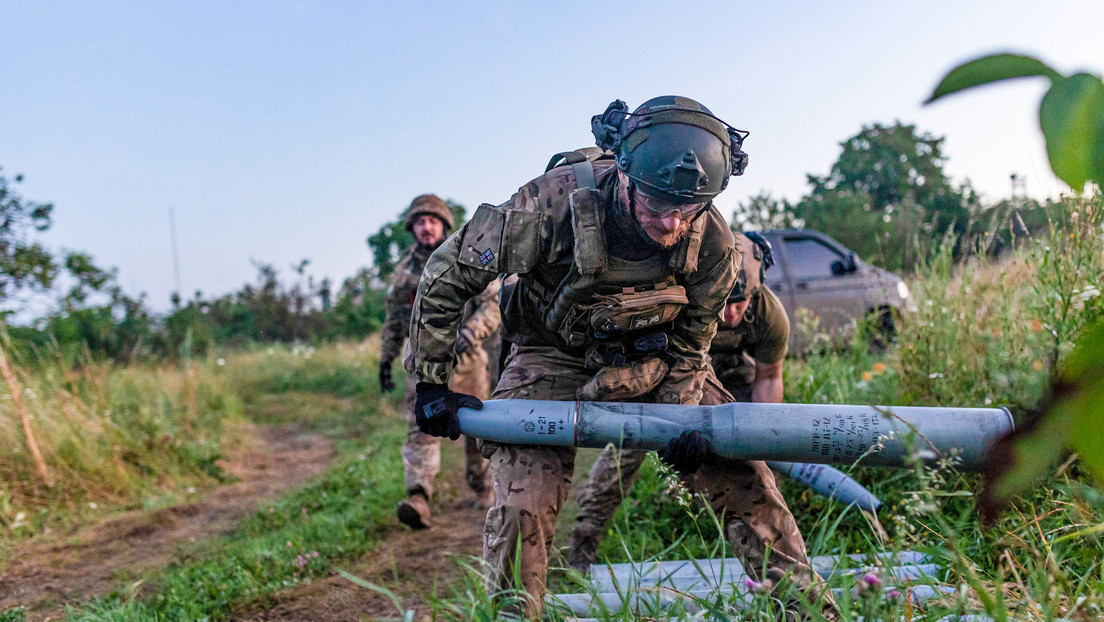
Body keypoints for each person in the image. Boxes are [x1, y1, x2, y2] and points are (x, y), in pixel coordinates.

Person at [405, 96, 824, 617]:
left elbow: (693, 344)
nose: (671, 224)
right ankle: (515, 612)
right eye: (655, 205)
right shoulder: (551, 204)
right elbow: (448, 274)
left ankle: (807, 608)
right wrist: (431, 381)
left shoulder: (714, 243)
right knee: (521, 505)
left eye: (686, 209)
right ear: (624, 174)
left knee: (748, 482)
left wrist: (678, 416)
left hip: (655, 358)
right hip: (549, 355)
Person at [569, 231, 800, 577]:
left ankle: (766, 554)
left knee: (755, 469)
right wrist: (678, 419)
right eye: (726, 301)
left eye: (742, 302)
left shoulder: (769, 314)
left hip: (733, 378)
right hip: (673, 378)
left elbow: (769, 377)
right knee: (620, 460)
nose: (732, 312)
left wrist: (759, 436)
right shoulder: (678, 299)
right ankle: (580, 553)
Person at [378, 194, 500, 529]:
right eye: (419, 221)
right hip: (420, 365)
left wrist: (472, 332)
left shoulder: (465, 257)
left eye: (432, 220)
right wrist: (385, 360)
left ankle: (485, 490)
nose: (426, 226)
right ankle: (418, 497)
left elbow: (493, 303)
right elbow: (394, 320)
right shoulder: (404, 273)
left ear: (444, 225)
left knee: (477, 428)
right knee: (421, 429)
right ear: (412, 228)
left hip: (467, 362)